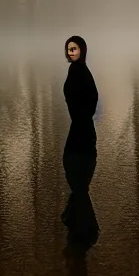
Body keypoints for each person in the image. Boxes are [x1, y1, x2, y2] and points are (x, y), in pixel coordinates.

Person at [61, 35, 100, 248]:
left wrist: (83, 116)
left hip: (82, 128)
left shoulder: (82, 72)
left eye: (75, 49)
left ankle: (82, 228)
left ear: (83, 50)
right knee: (74, 171)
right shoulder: (75, 70)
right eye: (69, 49)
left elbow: (92, 97)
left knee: (76, 171)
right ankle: (80, 223)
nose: (71, 52)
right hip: (79, 126)